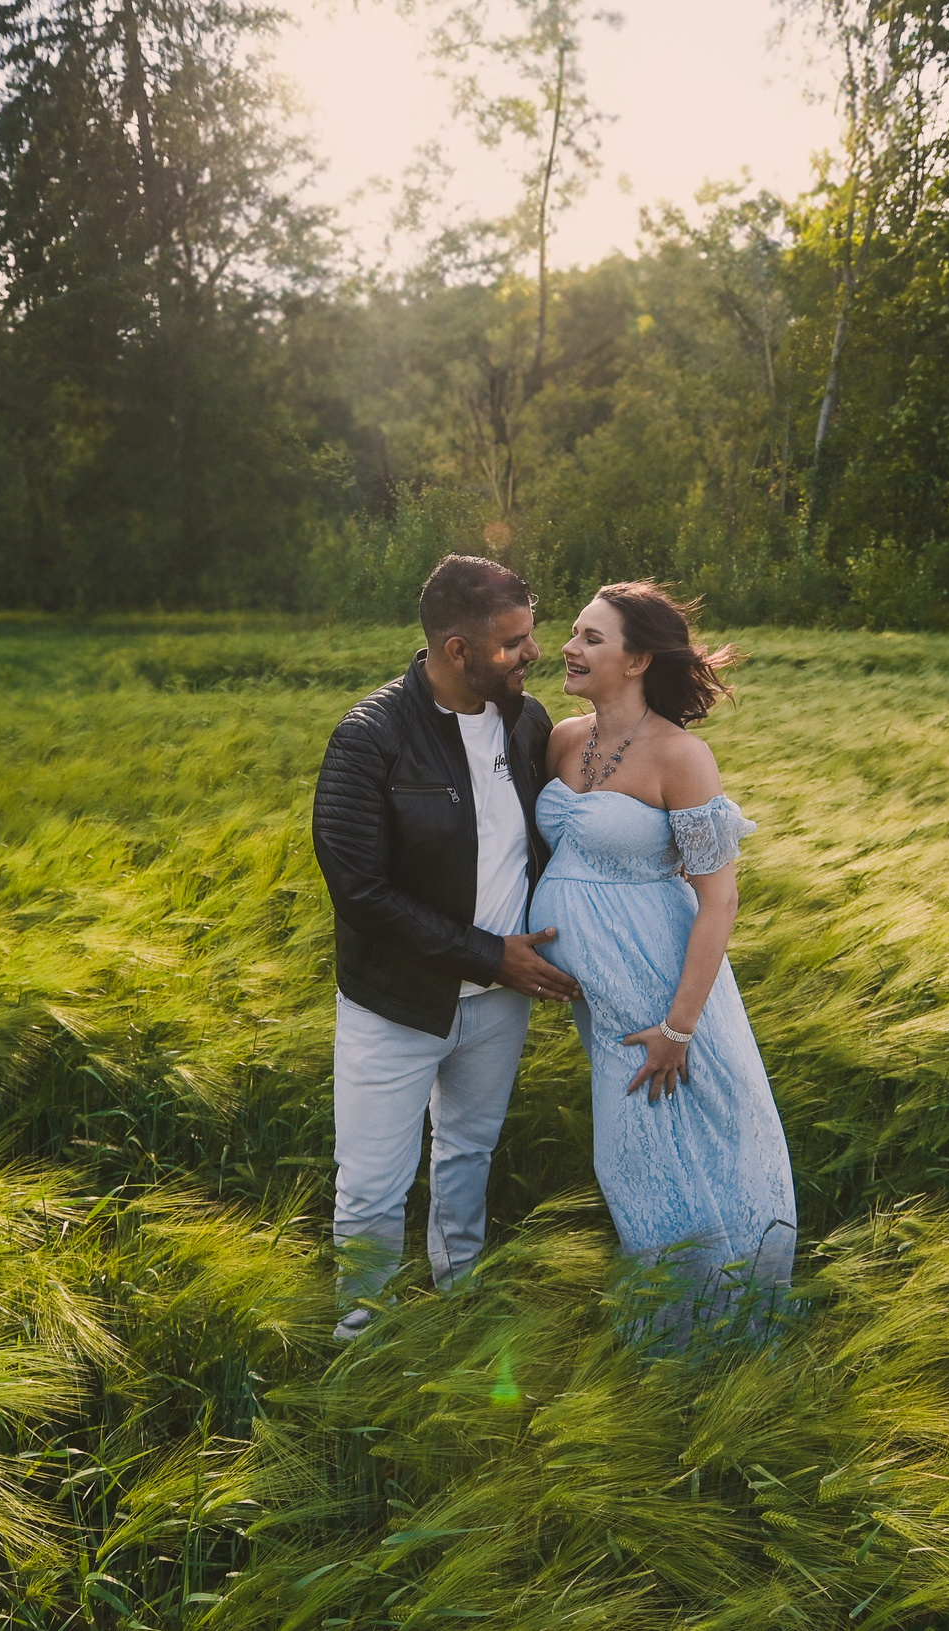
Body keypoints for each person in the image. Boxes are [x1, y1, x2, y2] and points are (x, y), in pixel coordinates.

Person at [312, 555, 581, 1341]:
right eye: (514, 642)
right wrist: (488, 953)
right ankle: (360, 1332)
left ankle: (459, 1298)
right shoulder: (370, 738)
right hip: (397, 1004)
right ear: (457, 650)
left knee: (468, 1154)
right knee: (371, 1184)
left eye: (532, 635)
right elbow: (360, 890)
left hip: (498, 1005)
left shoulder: (526, 724)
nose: (534, 653)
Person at [529, 581, 796, 1342]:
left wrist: (679, 1027)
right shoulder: (562, 738)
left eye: (591, 638)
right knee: (633, 1161)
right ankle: (669, 1326)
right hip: (602, 998)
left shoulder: (682, 755)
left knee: (695, 1151)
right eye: (574, 632)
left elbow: (719, 901)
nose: (570, 648)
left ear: (639, 658)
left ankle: (722, 1326)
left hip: (665, 997)